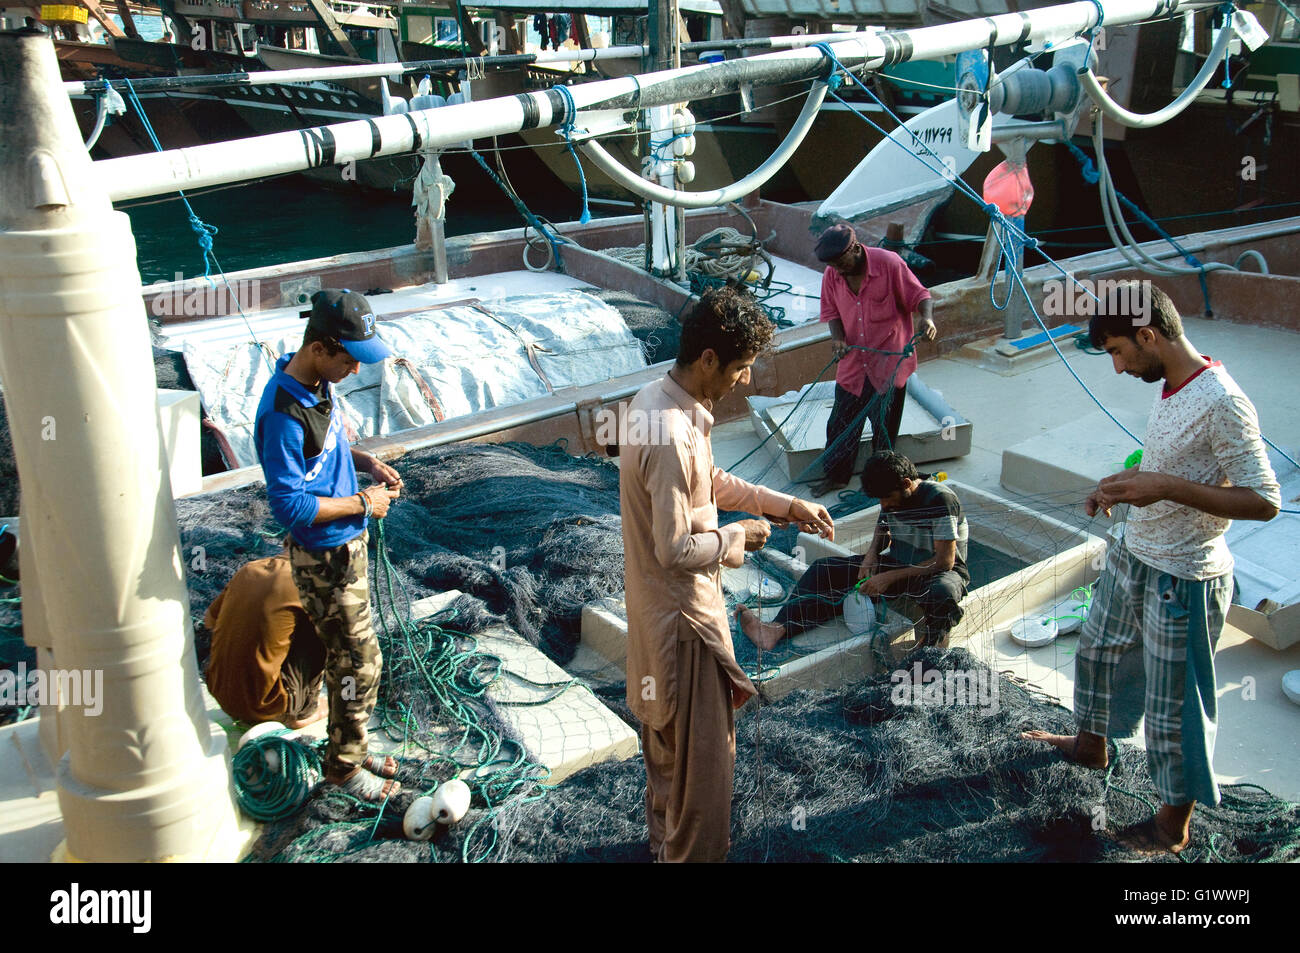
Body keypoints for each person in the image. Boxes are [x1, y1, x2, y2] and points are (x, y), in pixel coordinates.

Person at [1023, 281, 1280, 854]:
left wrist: (1162, 485)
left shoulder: (1224, 401)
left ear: (1148, 335)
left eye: (1117, 351)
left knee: (1174, 707)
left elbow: (1264, 500)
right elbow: (1169, 464)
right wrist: (1120, 486)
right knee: (1096, 652)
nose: (1116, 367)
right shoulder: (1171, 383)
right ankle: (1093, 745)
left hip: (1184, 577)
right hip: (1133, 553)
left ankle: (1171, 826)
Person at [620, 286, 835, 862]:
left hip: (653, 617)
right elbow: (673, 548)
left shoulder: (656, 401)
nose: (743, 381)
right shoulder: (670, 432)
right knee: (706, 773)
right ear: (709, 358)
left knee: (667, 759)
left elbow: (709, 481)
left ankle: (664, 849)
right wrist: (741, 536)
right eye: (740, 368)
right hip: (684, 627)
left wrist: (784, 506)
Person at [254, 289, 404, 802]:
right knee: (359, 663)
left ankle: (350, 744)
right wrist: (364, 503)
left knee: (349, 655)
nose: (355, 370)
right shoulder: (282, 412)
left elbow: (331, 444)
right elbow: (289, 506)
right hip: (324, 558)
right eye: (349, 359)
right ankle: (343, 767)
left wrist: (367, 463)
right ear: (319, 347)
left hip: (346, 544)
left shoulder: (318, 385)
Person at [739, 451, 968, 651]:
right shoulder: (891, 500)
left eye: (886, 498)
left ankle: (933, 649)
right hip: (900, 562)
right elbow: (882, 530)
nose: (883, 505)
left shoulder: (940, 499)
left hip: (938, 572)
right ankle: (776, 629)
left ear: (907, 483)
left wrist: (887, 577)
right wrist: (870, 558)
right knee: (825, 569)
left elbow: (944, 561)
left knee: (942, 594)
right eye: (880, 499)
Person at [812, 223, 937, 498]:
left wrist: (926, 318)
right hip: (854, 366)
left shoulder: (889, 264)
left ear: (856, 249)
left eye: (841, 262)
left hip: (889, 367)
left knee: (884, 431)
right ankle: (836, 477)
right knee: (840, 426)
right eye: (832, 265)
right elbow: (830, 310)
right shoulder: (832, 273)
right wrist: (838, 338)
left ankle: (884, 484)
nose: (837, 270)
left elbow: (920, 295)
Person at [204, 555, 328, 729]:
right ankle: (302, 712)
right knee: (328, 629)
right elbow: (348, 650)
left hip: (220, 693)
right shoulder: (314, 582)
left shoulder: (249, 569)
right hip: (268, 707)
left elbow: (209, 620)